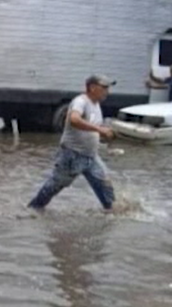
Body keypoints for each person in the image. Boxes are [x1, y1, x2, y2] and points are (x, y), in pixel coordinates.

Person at [28, 75, 116, 212]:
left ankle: (111, 213)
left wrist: (104, 135)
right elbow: (74, 120)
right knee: (55, 185)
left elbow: (91, 129)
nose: (107, 91)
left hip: (91, 156)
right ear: (92, 87)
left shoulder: (96, 104)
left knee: (105, 185)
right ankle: (33, 209)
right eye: (104, 87)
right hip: (72, 155)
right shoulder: (80, 101)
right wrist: (99, 129)